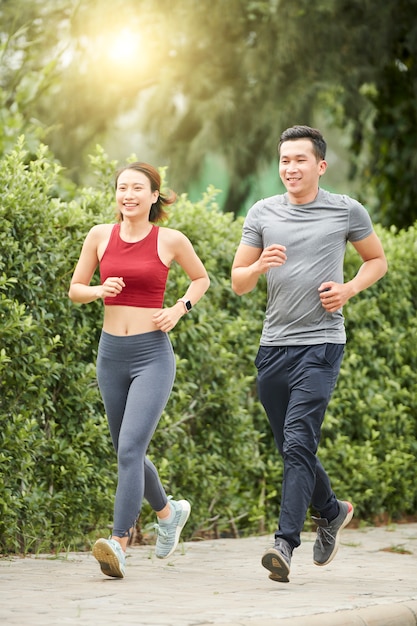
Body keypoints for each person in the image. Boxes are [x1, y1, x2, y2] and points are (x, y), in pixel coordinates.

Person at [231, 125, 387, 583]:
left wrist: (350, 288)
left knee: (298, 441)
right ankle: (331, 509)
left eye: (300, 160)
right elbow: (238, 282)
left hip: (321, 344)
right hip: (273, 347)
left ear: (320, 165)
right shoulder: (262, 212)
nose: (290, 168)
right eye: (284, 160)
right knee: (290, 445)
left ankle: (284, 544)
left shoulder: (344, 210)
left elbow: (375, 260)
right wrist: (257, 265)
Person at [69, 161, 210, 579]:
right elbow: (76, 289)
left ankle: (118, 543)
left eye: (137, 188)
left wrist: (179, 309)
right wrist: (98, 289)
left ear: (153, 196)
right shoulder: (99, 236)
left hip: (152, 355)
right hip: (111, 354)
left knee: (130, 449)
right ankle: (169, 514)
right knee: (127, 451)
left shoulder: (170, 240)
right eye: (121, 188)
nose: (127, 195)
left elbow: (200, 280)